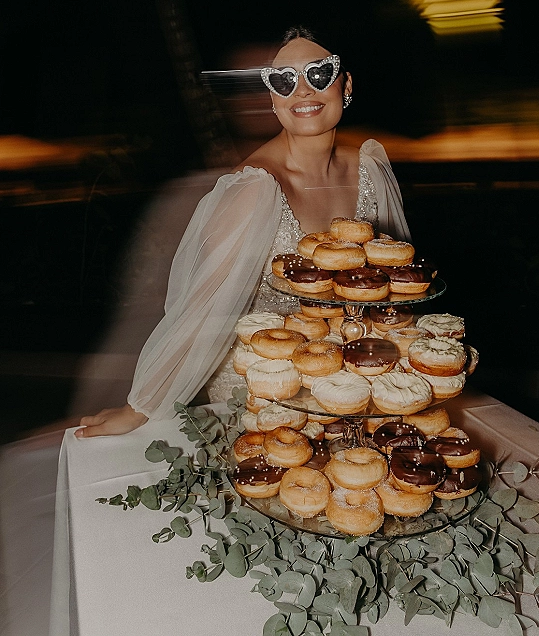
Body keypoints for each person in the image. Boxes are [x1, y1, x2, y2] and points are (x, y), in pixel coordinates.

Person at [74, 27, 411, 438]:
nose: (302, 91)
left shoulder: (370, 168)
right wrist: (141, 405)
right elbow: (198, 312)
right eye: (284, 81)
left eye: (319, 74)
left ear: (346, 84)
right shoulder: (254, 188)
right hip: (258, 400)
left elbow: (394, 287)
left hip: (346, 387)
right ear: (273, 99)